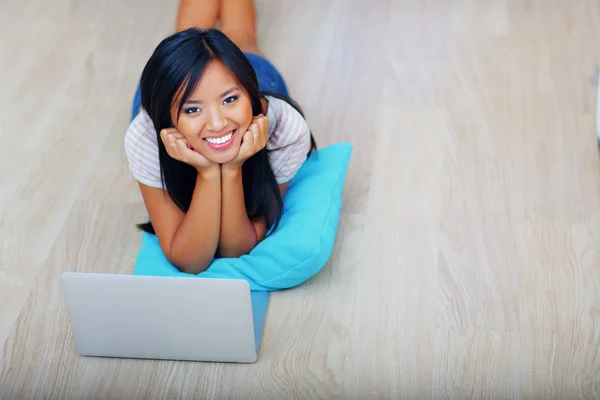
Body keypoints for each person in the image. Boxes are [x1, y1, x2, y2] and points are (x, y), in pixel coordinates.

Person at [124, 0, 316, 274]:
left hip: (251, 77)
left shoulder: (285, 129)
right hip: (176, 93)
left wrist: (233, 168)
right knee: (186, 44)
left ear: (248, 95)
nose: (217, 124)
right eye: (192, 109)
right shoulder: (146, 135)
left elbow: (235, 250)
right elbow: (189, 260)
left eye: (230, 101)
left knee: (240, 37)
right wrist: (209, 173)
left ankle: (212, 96)